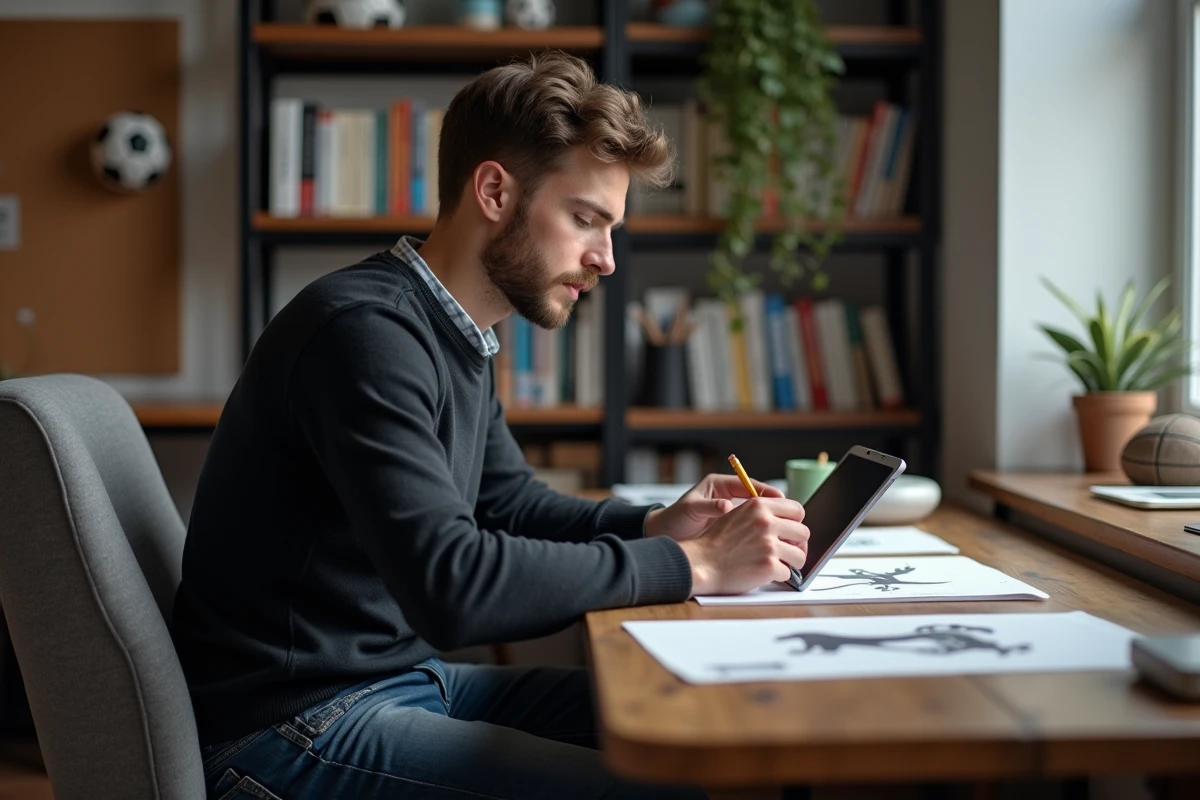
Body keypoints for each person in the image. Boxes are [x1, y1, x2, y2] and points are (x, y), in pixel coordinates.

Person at [171, 50, 810, 800]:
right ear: (496, 191)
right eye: (585, 219)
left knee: (737, 725)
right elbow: (454, 585)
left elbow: (507, 505)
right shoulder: (362, 334)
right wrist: (697, 568)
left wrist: (659, 529)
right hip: (292, 727)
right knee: (663, 789)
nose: (605, 259)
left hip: (400, 683)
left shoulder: (455, 334)